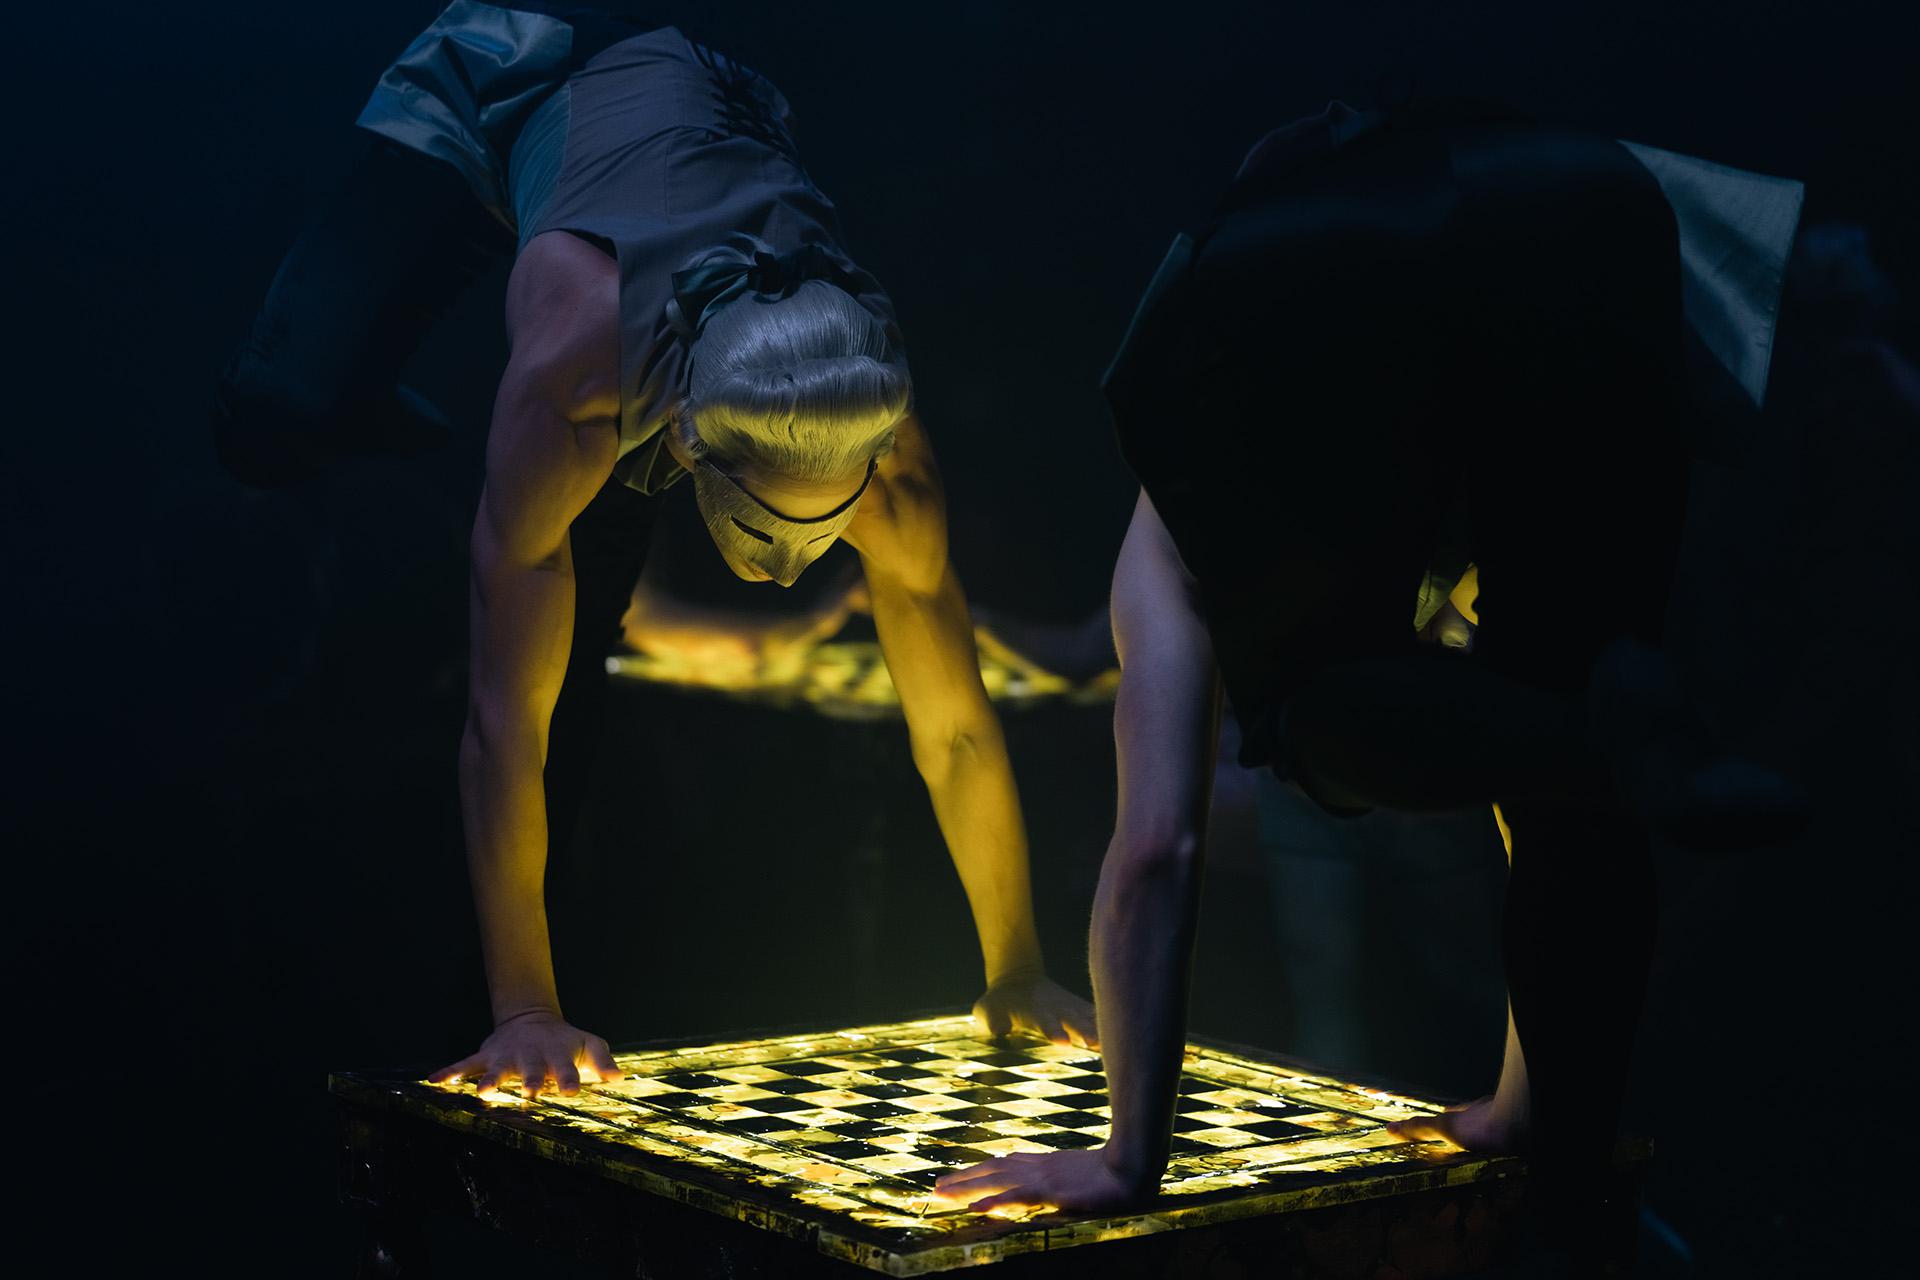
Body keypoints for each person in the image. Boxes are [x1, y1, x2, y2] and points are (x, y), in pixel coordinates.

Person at [933, 98, 1804, 1253]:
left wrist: (1128, 1154)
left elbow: (1156, 844)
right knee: (1577, 735)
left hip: (1352, 274)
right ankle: (1563, 1154)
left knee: (1316, 720)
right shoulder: (1403, 359)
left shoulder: (1183, 503)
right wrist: (1515, 1102)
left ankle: (1591, 740)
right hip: (1605, 202)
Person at [214, 2, 1093, 1098]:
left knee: (577, 661)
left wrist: (1019, 966)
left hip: (684, 148)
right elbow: (500, 722)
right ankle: (381, 376)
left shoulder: (885, 441)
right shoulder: (576, 383)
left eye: (831, 522)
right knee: (275, 417)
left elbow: (956, 726)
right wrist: (523, 1008)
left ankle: (506, 1008)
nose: (794, 562)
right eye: (772, 524)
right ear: (686, 439)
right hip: (540, 111)